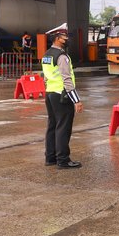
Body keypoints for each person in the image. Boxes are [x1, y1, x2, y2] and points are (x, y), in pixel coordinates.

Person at [41, 23, 84, 169]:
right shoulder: (61, 56)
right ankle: (63, 160)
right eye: (64, 36)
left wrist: (48, 92)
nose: (67, 39)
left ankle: (50, 158)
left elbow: (46, 77)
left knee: (52, 126)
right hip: (62, 95)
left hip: (50, 94)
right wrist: (76, 100)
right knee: (63, 128)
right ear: (57, 38)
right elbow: (67, 79)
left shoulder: (46, 55)